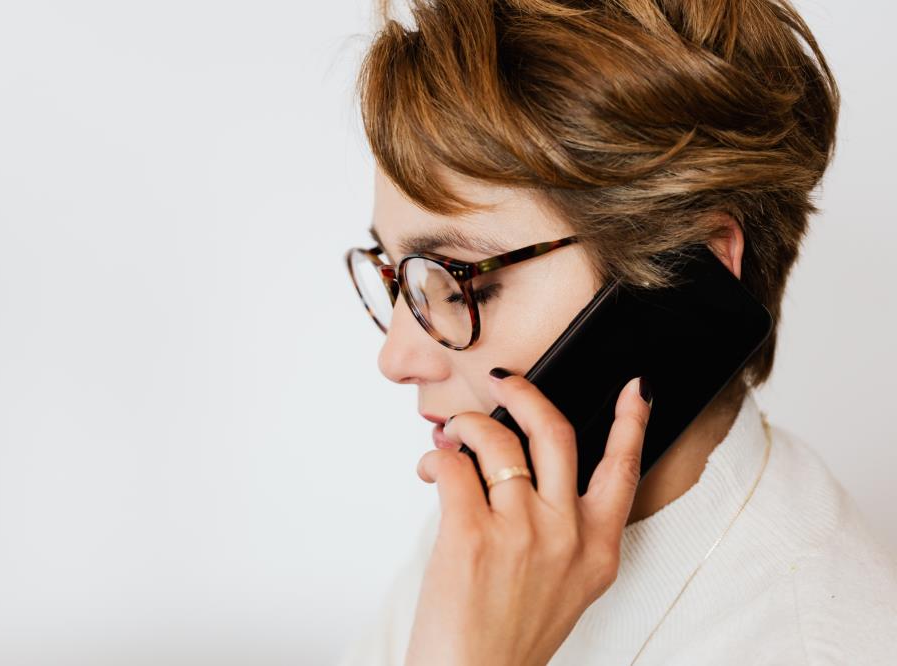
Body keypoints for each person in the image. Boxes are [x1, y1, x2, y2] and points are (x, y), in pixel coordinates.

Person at [338, 1, 897, 664]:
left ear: (689, 269)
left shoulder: (816, 643)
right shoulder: (505, 518)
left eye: (459, 278)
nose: (396, 357)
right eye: (398, 275)